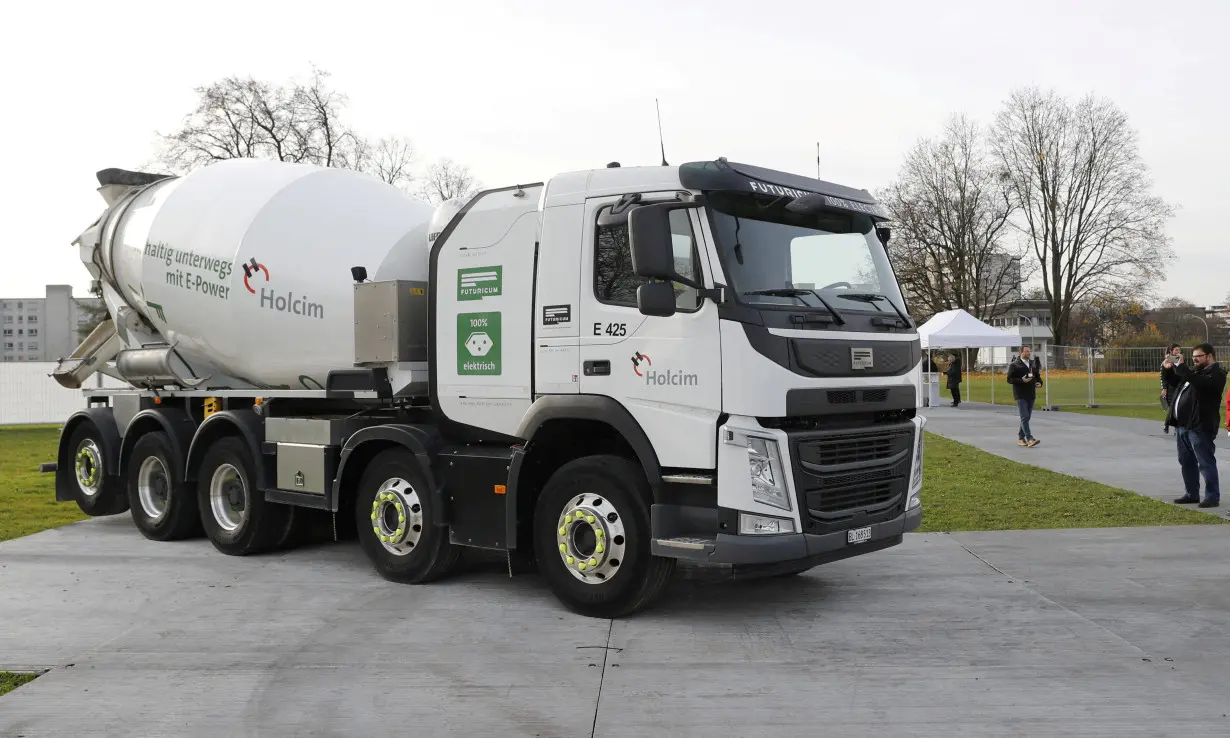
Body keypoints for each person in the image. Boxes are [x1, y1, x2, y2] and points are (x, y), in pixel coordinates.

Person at [1165, 343, 1226, 508]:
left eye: (1198, 356)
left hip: (1201, 426)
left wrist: (1184, 368)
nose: (1195, 360)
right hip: (1183, 426)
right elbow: (1175, 382)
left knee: (1205, 462)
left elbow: (1201, 385)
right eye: (1193, 357)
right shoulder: (1195, 373)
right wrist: (1168, 369)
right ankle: (1191, 493)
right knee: (1186, 461)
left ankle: (1212, 496)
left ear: (1209, 356)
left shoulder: (1216, 374)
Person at [1006, 346, 1043, 447]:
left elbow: (1037, 377)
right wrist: (1021, 380)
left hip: (1031, 394)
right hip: (1020, 394)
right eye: (1026, 351)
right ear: (1021, 352)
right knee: (1025, 416)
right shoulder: (1015, 365)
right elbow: (1009, 379)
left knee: (1026, 417)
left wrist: (1039, 383)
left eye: (1029, 351)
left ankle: (1021, 438)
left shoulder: (1032, 364)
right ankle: (1030, 439)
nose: (1029, 353)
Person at [1160, 343, 1183, 434]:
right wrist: (1164, 388)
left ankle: (1172, 426)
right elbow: (1163, 376)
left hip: (1179, 386)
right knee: (1174, 406)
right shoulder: (1167, 361)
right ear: (1171, 351)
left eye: (1179, 350)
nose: (1178, 352)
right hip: (1171, 387)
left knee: (1178, 406)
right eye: (1176, 350)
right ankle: (1168, 425)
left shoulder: (1178, 360)